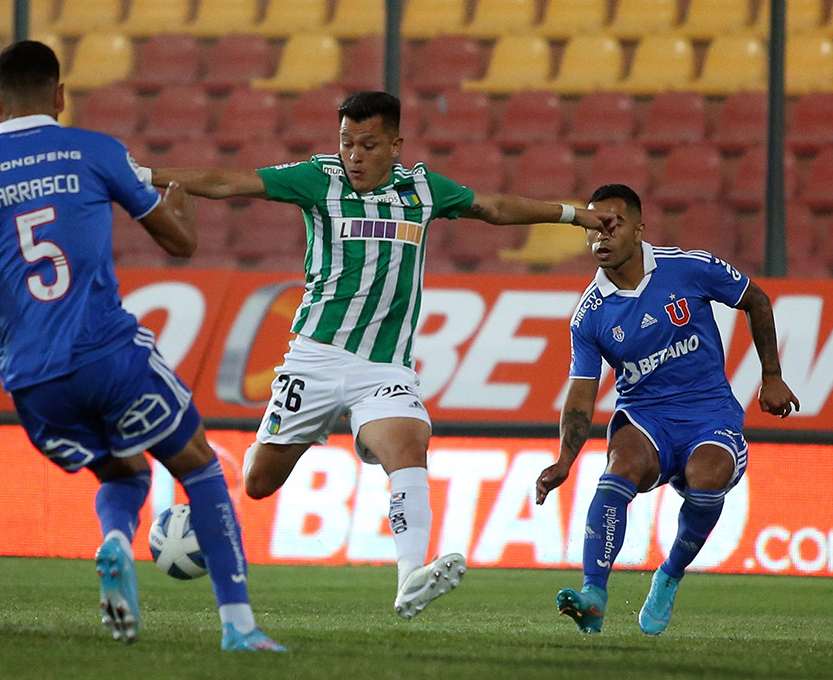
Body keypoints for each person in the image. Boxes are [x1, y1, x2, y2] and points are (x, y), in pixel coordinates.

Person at [139, 91, 617, 619]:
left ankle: (411, 575)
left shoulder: (422, 190)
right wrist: (149, 176)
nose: (355, 156)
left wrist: (576, 216)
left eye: (368, 144)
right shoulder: (319, 180)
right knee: (258, 484)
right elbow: (232, 182)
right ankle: (221, 495)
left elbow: (494, 207)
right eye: (346, 143)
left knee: (410, 443)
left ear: (395, 144)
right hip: (313, 359)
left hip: (383, 368)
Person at [0, 40, 286, 651]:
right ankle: (239, 627)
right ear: (61, 94)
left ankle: (116, 542)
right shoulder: (95, 152)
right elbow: (178, 244)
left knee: (123, 473)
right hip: (107, 353)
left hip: (31, 382)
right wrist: (184, 207)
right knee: (198, 465)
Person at [535, 184, 800, 635]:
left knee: (707, 478)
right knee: (620, 466)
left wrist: (771, 375)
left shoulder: (688, 267)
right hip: (645, 413)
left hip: (709, 412)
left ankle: (669, 574)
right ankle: (594, 596)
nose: (601, 236)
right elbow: (581, 395)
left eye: (612, 225)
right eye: (593, 228)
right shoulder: (589, 314)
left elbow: (755, 298)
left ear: (639, 229)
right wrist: (564, 459)